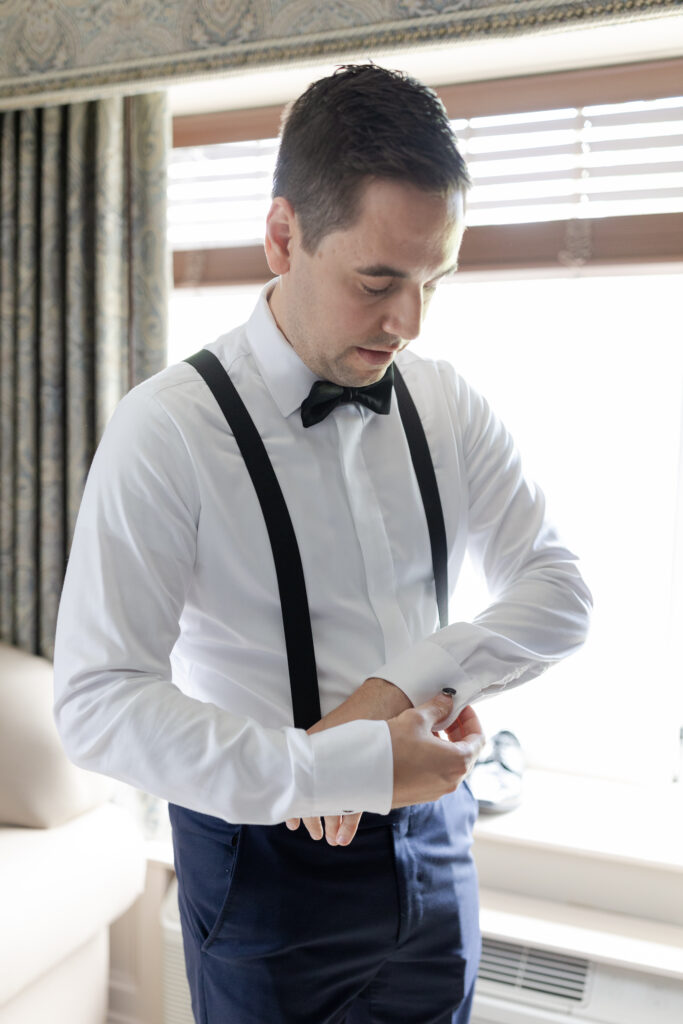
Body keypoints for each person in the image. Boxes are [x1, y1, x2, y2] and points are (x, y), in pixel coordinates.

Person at [53, 64, 591, 1024]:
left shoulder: (445, 399)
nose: (408, 322)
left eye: (434, 280)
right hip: (263, 876)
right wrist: (334, 765)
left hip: (436, 841)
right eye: (378, 280)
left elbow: (560, 591)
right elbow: (97, 705)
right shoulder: (165, 430)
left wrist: (406, 688)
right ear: (281, 235)